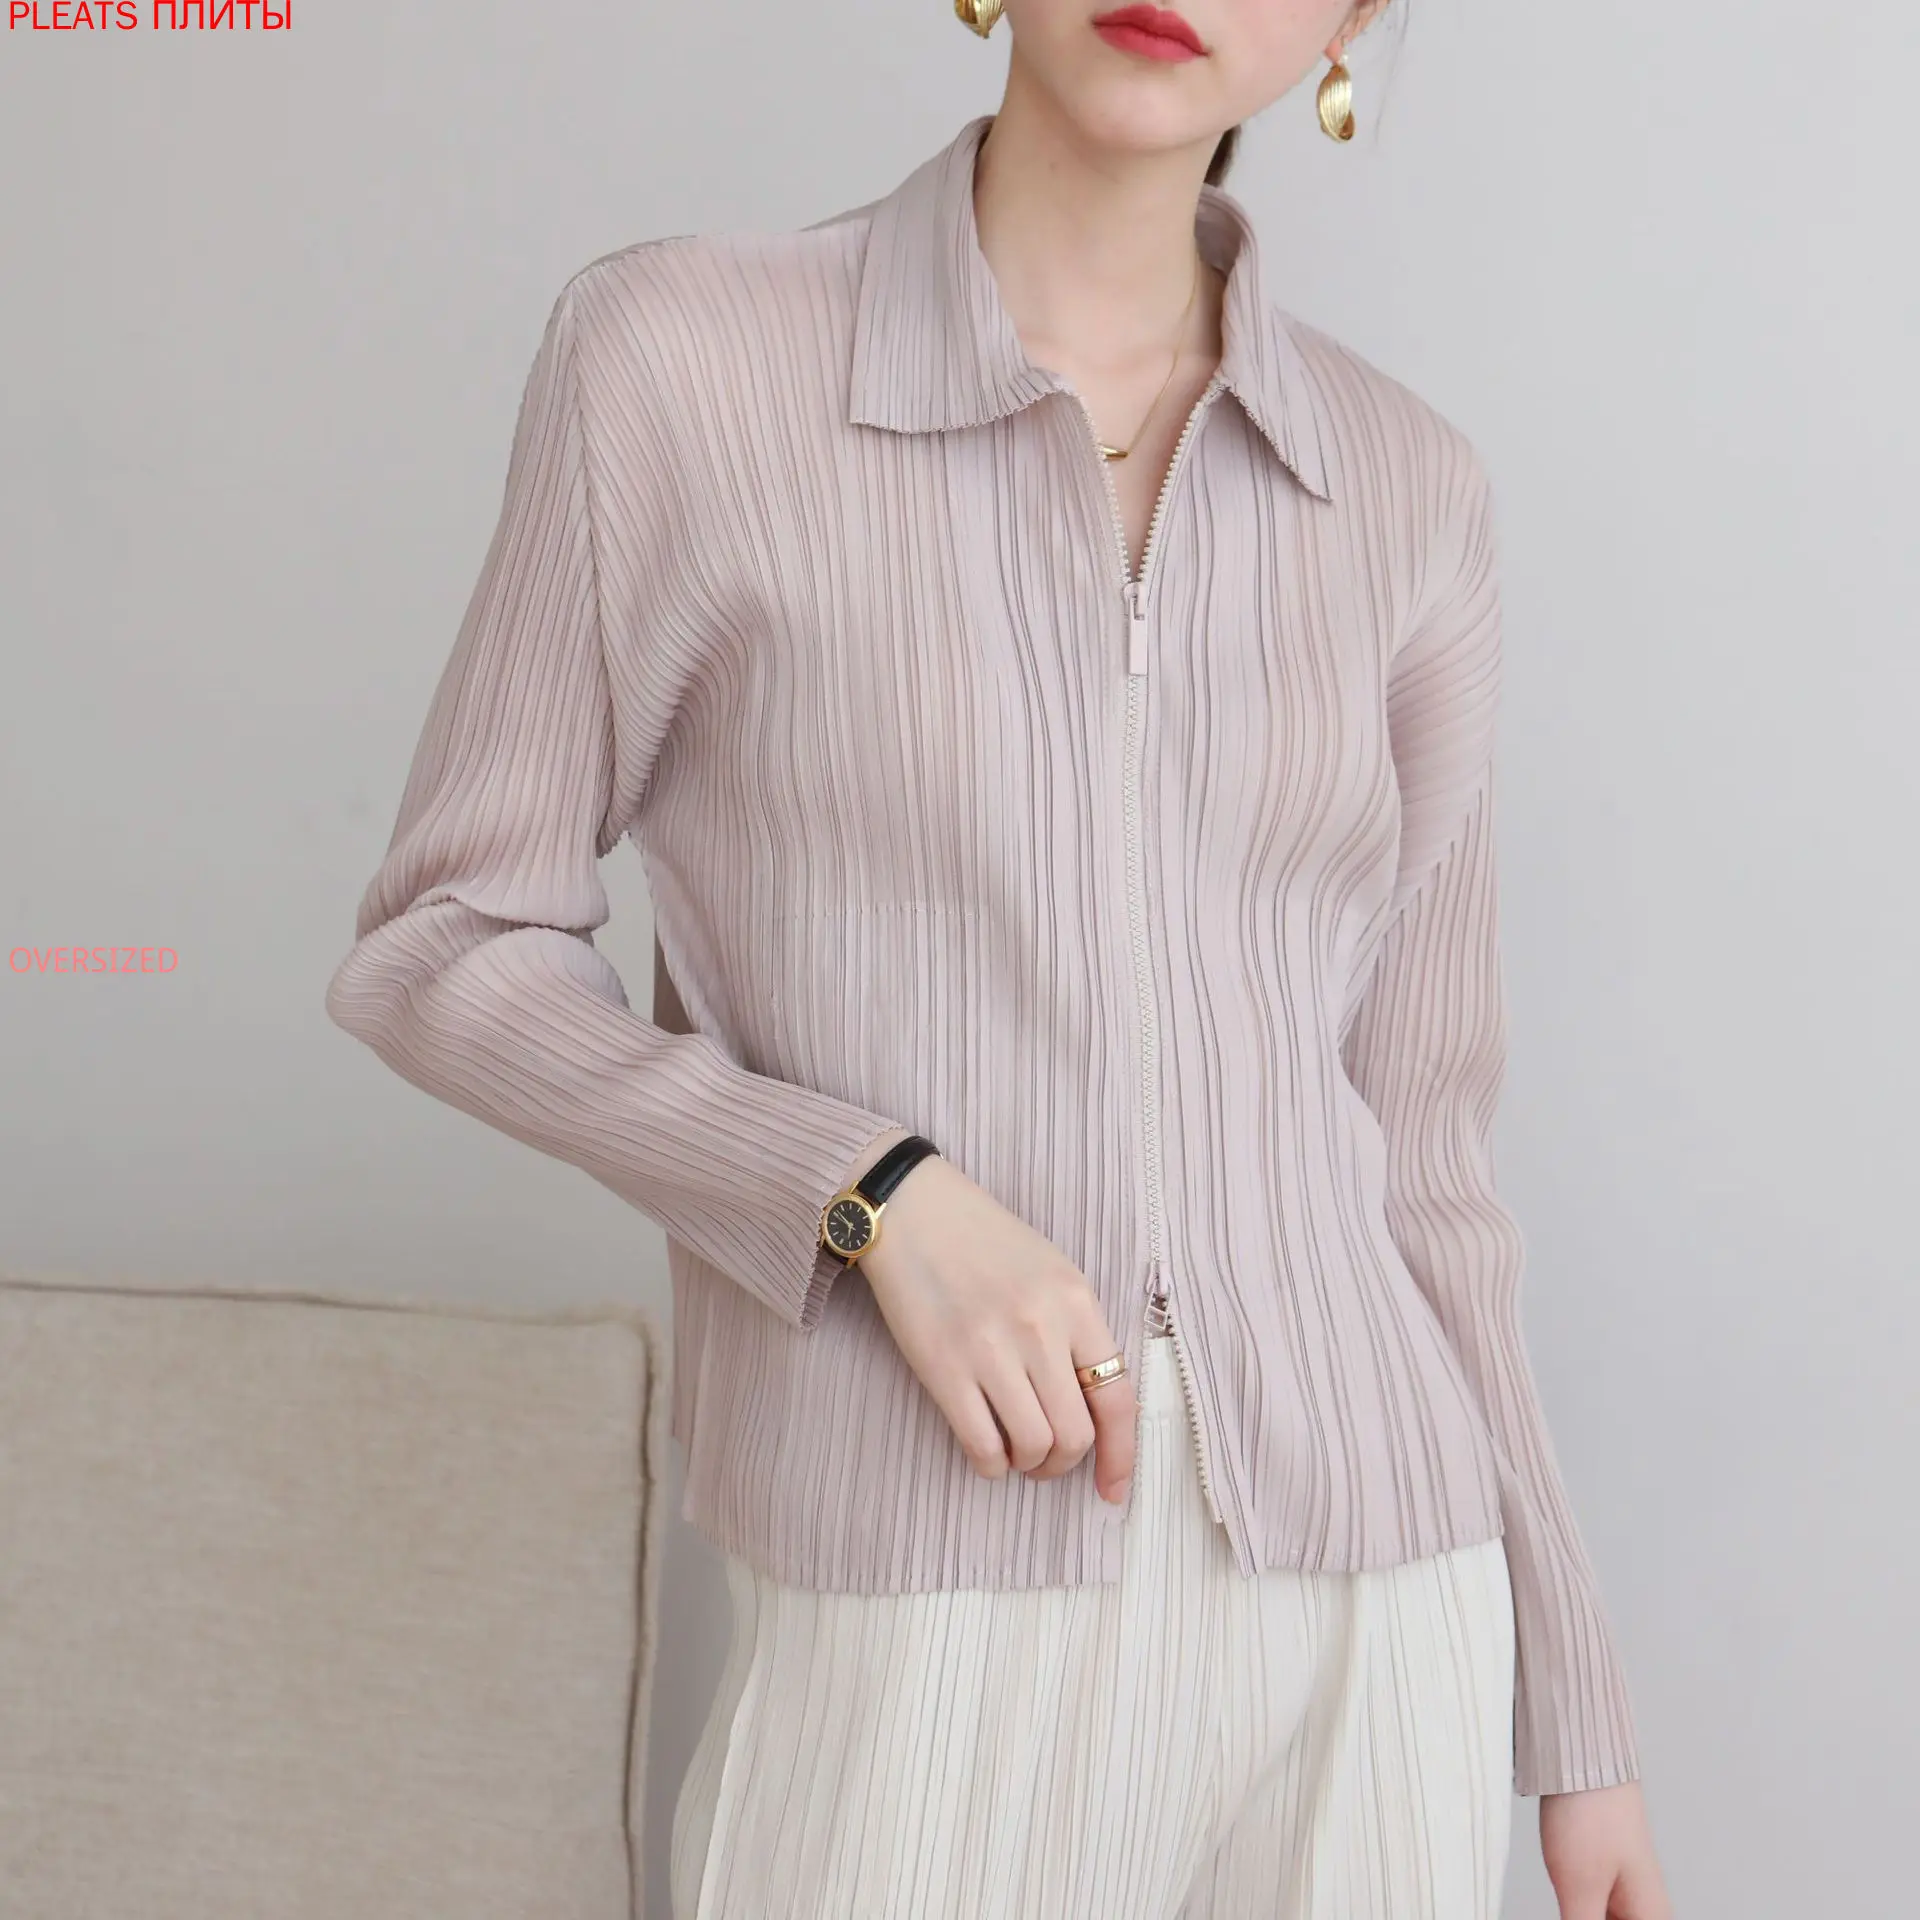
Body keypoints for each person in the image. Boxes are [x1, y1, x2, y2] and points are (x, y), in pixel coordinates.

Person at [325, 3, 1677, 1915]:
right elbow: (447, 942)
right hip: (924, 1564)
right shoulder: (685, 363)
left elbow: (1427, 1152)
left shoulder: (1401, 487)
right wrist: (866, 1192)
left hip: (1377, 1590)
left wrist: (1575, 1718)